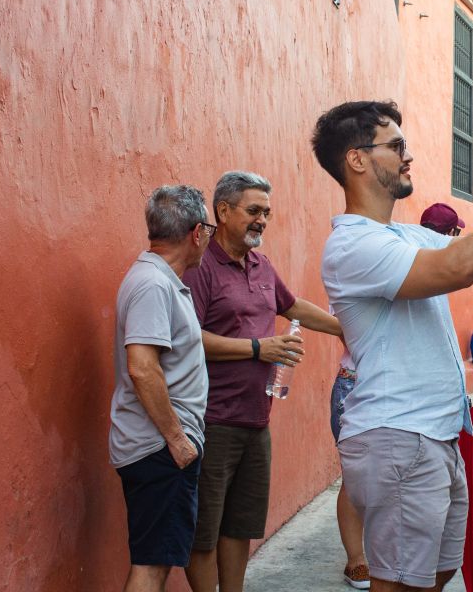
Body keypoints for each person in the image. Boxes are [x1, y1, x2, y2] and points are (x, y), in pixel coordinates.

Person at [311, 99, 473, 592]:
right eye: (395, 145)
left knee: (437, 574)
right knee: (400, 583)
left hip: (431, 434)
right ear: (357, 159)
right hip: (397, 432)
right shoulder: (353, 244)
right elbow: (458, 268)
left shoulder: (402, 234)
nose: (407, 156)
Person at [182, 171, 342, 592]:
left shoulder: (261, 264)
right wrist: (258, 349)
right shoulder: (202, 268)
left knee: (240, 526)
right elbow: (188, 339)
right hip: (212, 421)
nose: (262, 221)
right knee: (203, 532)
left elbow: (293, 308)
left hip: (256, 419)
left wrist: (346, 329)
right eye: (253, 211)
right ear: (223, 211)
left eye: (266, 213)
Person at [109, 185, 213, 592]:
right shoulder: (154, 285)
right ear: (195, 232)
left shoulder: (161, 280)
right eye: (208, 228)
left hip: (160, 446)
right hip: (160, 447)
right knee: (152, 565)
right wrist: (178, 440)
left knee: (157, 558)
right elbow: (142, 369)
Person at [330, 343, 370, 590]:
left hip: (403, 382)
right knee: (355, 474)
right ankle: (356, 559)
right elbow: (348, 329)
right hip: (357, 380)